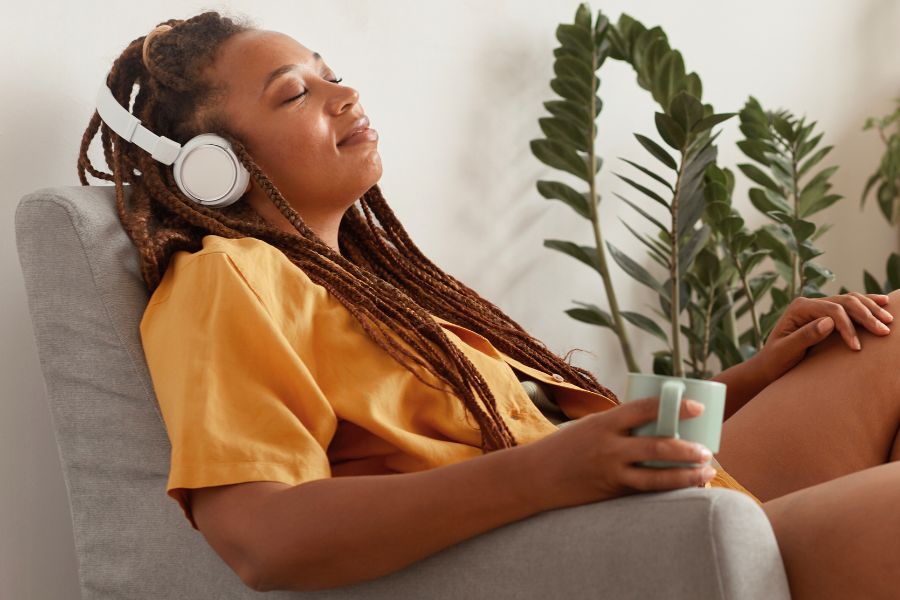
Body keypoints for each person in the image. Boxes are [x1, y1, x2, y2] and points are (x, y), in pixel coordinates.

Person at [77, 11, 900, 599]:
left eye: (331, 72)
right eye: (295, 95)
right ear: (212, 167)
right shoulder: (227, 279)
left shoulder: (383, 290)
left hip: (663, 507)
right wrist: (543, 472)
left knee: (884, 336)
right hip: (593, 550)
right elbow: (261, 537)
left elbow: (558, 440)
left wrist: (755, 375)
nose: (344, 92)